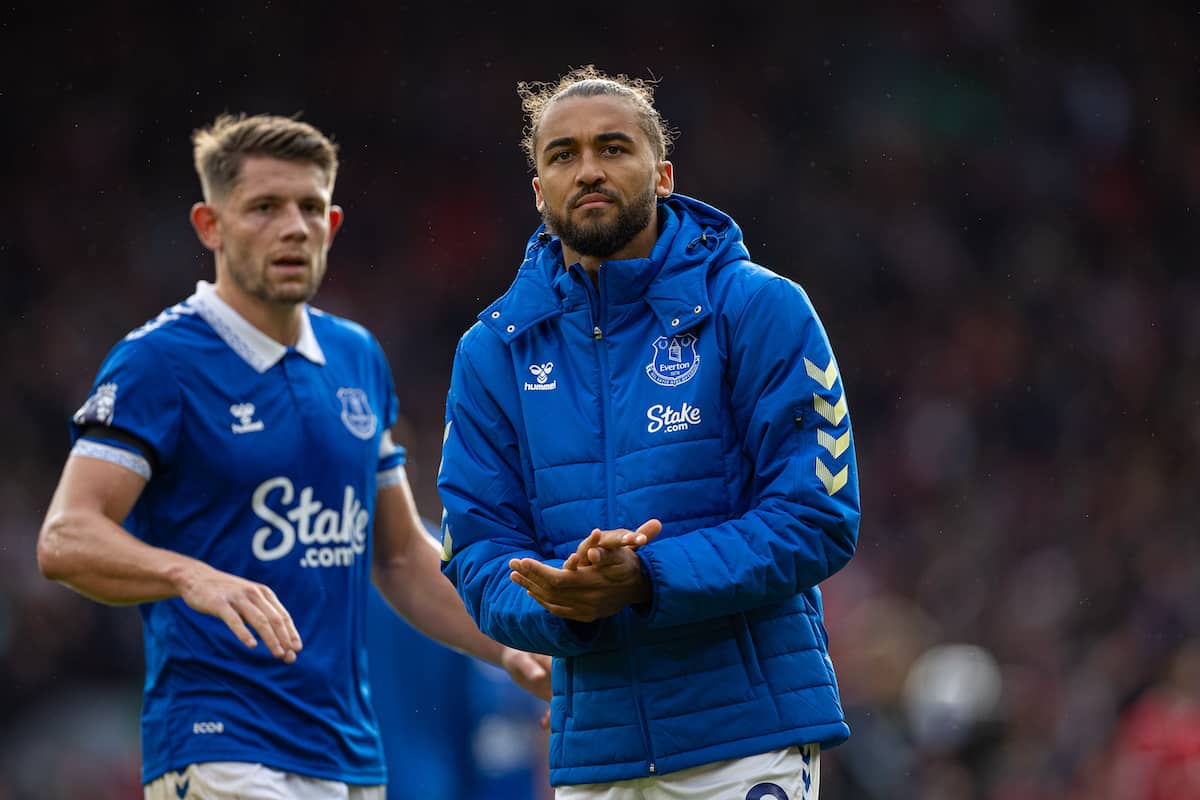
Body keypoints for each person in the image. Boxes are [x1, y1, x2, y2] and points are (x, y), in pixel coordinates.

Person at [36, 112, 550, 800]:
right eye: (264, 208)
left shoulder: (355, 356)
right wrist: (191, 576)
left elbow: (398, 554)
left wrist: (508, 645)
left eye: (310, 208)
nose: (293, 227)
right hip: (222, 745)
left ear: (332, 226)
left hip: (348, 756)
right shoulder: (158, 363)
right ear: (209, 226)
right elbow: (66, 536)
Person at [437, 65, 861, 800]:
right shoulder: (493, 351)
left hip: (746, 745)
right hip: (594, 761)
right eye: (562, 156)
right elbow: (476, 550)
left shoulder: (759, 309)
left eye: (613, 148)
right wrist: (562, 600)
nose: (589, 169)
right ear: (539, 192)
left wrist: (646, 578)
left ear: (662, 174)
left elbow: (818, 516)